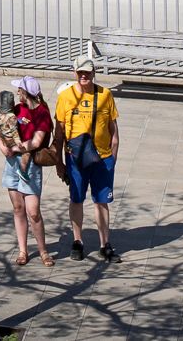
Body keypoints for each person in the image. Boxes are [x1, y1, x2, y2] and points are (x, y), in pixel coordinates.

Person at [52, 60, 122, 259]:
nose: (84, 76)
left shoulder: (105, 95)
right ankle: (77, 241)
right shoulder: (66, 97)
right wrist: (59, 163)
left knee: (102, 201)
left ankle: (104, 243)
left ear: (94, 73)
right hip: (75, 159)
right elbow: (59, 133)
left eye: (88, 72)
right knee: (76, 199)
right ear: (74, 72)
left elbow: (113, 130)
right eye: (80, 72)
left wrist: (113, 158)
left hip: (103, 158)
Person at [0, 78, 60, 269]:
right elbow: (1, 129)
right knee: (18, 208)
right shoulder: (17, 109)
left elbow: (37, 141)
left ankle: (43, 250)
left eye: (19, 90)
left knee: (33, 212)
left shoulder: (42, 113)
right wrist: (2, 146)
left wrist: (16, 149)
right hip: (12, 164)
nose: (17, 93)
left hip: (30, 164)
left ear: (26, 92)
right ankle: (23, 250)